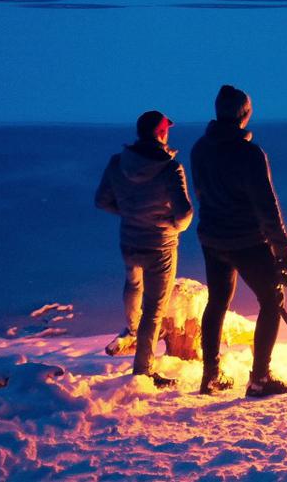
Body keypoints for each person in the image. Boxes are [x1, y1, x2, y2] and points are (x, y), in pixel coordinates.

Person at [191, 85, 287, 398]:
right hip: (247, 241)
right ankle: (260, 378)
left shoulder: (200, 148)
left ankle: (210, 374)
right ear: (244, 114)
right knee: (271, 299)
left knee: (217, 302)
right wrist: (282, 251)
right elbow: (267, 207)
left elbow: (201, 194)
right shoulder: (249, 154)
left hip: (212, 240)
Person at [95, 110, 193, 389]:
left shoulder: (117, 163)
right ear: (162, 134)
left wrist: (129, 213)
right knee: (154, 309)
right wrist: (172, 226)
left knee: (133, 284)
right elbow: (184, 214)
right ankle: (143, 370)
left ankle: (132, 327)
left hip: (129, 240)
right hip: (160, 245)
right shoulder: (169, 168)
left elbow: (101, 201)